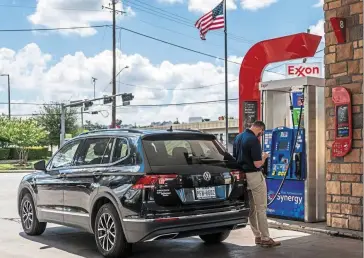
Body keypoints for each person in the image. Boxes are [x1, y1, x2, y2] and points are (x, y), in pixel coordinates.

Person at [233, 121, 281, 248]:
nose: (260, 135)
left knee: (252, 209)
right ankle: (265, 238)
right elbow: (257, 164)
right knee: (261, 208)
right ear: (260, 129)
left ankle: (257, 236)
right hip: (254, 175)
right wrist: (264, 157)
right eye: (261, 133)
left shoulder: (238, 137)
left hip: (243, 177)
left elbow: (235, 158)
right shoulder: (253, 140)